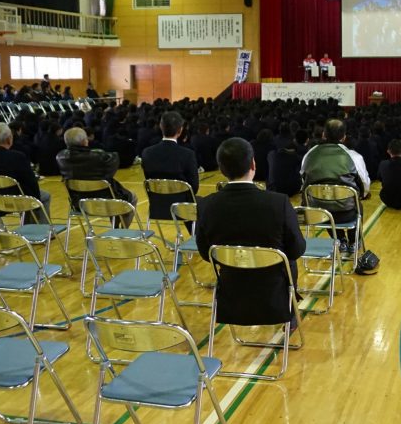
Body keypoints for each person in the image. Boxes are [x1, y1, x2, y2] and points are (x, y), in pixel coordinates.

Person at [195, 137, 305, 325]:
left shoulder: (206, 205)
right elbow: (297, 249)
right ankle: (291, 310)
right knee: (289, 258)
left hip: (231, 291)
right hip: (273, 294)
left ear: (221, 169)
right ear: (253, 164)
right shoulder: (278, 203)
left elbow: (206, 253)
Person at [300, 118, 370, 250]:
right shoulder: (354, 157)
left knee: (324, 201)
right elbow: (365, 186)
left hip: (317, 213)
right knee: (356, 203)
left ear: (323, 134)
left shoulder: (309, 154)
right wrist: (361, 195)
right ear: (344, 137)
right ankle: (354, 241)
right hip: (346, 212)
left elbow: (303, 181)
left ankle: (339, 239)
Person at [56, 126, 137, 217]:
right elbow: (110, 171)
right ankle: (118, 225)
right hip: (107, 201)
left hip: (79, 203)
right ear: (84, 141)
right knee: (132, 197)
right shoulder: (100, 156)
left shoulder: (60, 157)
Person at [0, 122, 50, 215]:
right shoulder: (17, 157)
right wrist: (36, 198)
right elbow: (31, 181)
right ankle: (35, 223)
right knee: (44, 196)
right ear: (8, 139)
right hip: (15, 199)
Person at [141, 111, 199, 220]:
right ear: (180, 130)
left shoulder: (147, 153)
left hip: (157, 204)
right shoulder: (187, 154)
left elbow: (149, 179)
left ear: (161, 127)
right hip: (182, 206)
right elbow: (194, 187)